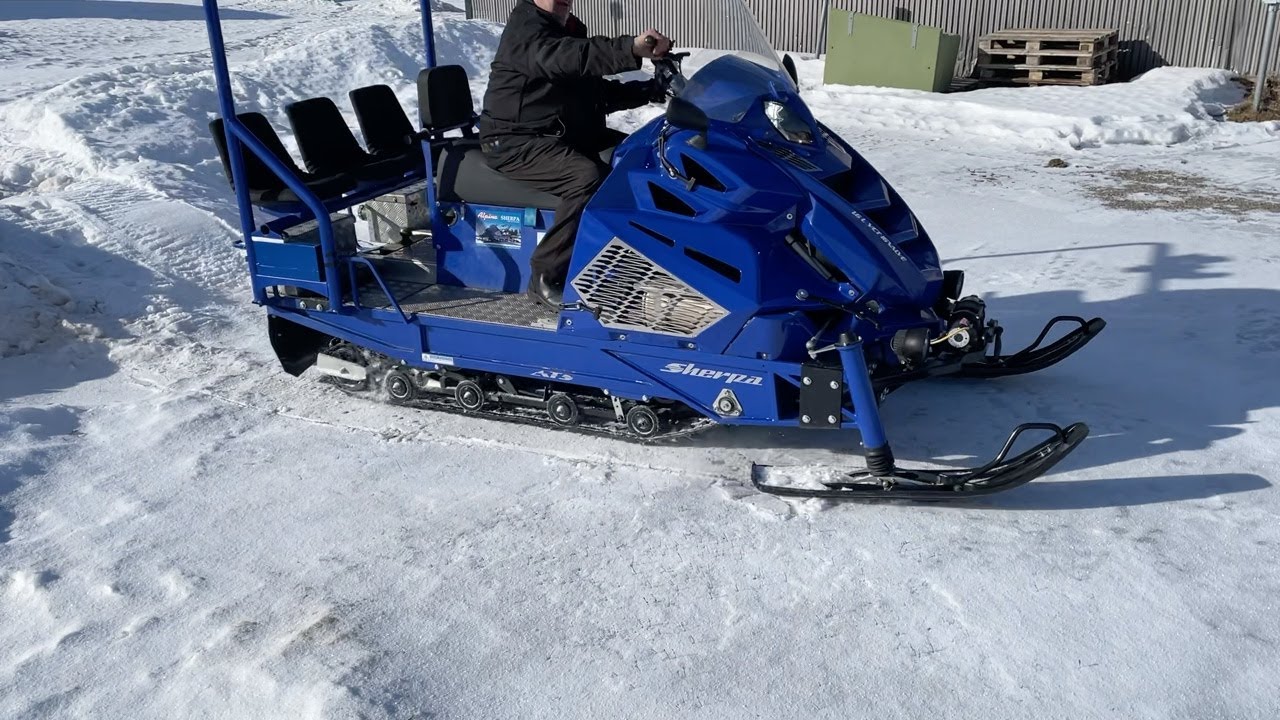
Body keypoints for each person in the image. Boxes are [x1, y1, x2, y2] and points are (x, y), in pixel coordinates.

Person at [478, 0, 671, 308]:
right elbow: (568, 57)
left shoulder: (565, 29)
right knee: (585, 178)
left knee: (637, 156)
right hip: (514, 141)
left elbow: (592, 93)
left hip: (557, 132)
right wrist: (631, 48)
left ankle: (634, 260)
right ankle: (546, 275)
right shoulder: (527, 30)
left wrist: (651, 90)